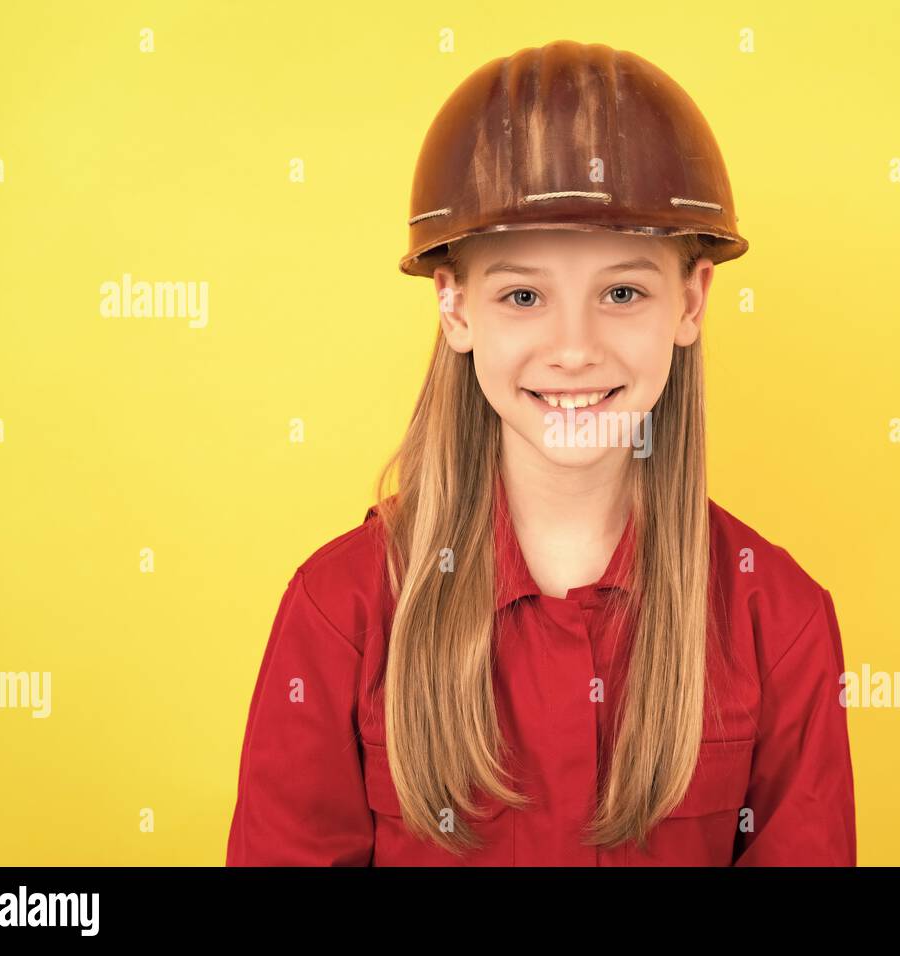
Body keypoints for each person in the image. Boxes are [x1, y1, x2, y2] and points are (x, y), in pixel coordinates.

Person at [226, 39, 855, 867]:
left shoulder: (779, 621)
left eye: (622, 293)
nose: (573, 350)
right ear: (454, 310)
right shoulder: (339, 612)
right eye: (523, 296)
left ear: (690, 302)